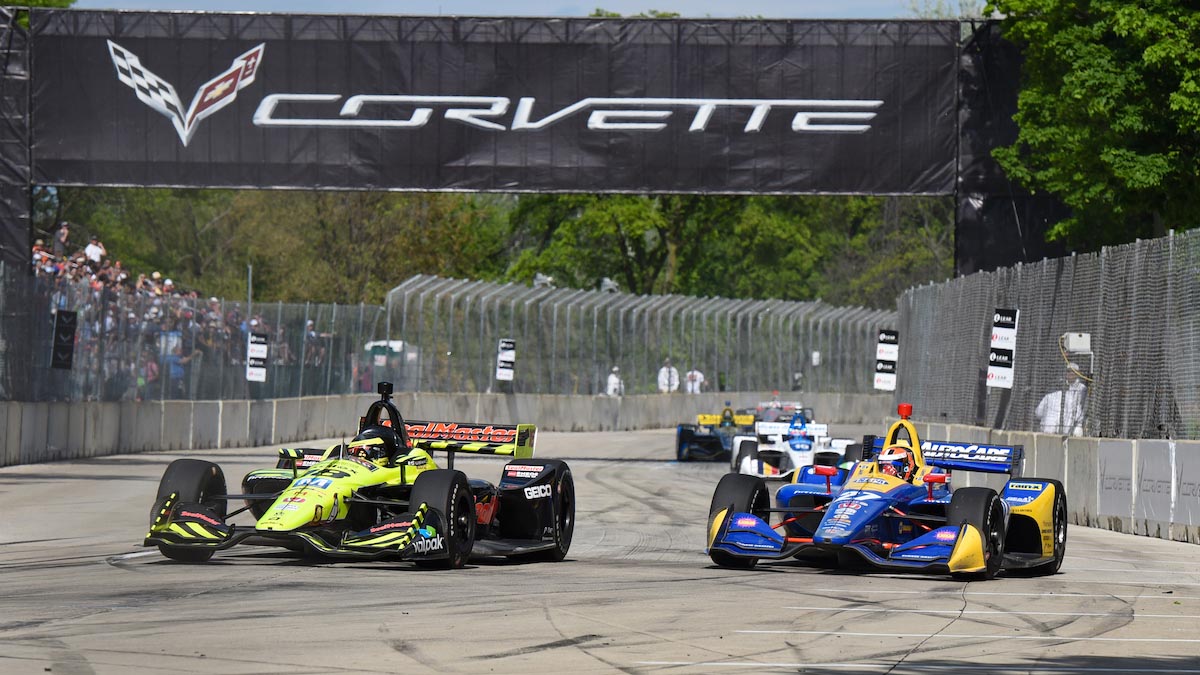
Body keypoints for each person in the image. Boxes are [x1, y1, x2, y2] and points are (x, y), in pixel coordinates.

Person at [1035, 362, 1087, 435]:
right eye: (1069, 371)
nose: (1071, 374)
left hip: (1069, 428)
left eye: (1073, 371)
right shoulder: (1052, 395)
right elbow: (1038, 413)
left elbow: (1082, 409)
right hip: (1055, 429)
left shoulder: (1082, 389)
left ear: (1078, 374)